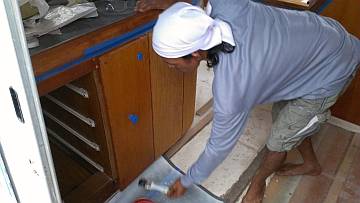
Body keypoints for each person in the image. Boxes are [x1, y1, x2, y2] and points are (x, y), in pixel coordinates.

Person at [149, 1, 360, 202]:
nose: (170, 68)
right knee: (289, 122)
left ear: (195, 53)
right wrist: (173, 11)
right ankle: (311, 164)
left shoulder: (231, 89)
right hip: (323, 35)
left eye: (173, 64)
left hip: (334, 65)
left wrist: (187, 181)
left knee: (279, 139)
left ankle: (257, 186)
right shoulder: (227, 5)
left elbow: (218, 148)